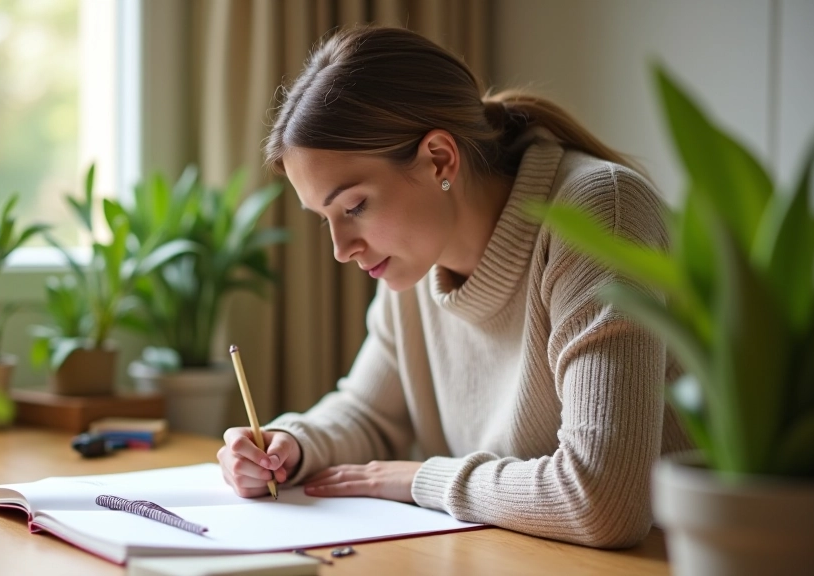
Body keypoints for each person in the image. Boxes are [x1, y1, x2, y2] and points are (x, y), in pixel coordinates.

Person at [216, 25, 693, 549]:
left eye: (354, 207)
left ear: (440, 158)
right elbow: (370, 413)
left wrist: (419, 479)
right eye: (324, 218)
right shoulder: (414, 257)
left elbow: (604, 500)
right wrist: (290, 446)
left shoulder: (597, 213)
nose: (341, 248)